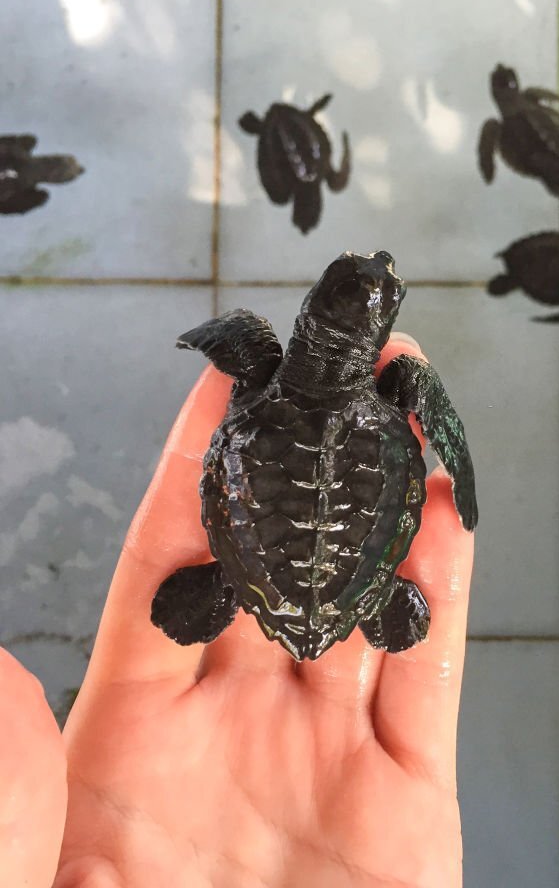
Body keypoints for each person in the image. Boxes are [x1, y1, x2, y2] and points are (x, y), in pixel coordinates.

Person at [0, 335, 475, 888]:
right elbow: (424, 410)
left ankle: (233, 582)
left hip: (253, 566)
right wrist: (459, 471)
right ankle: (369, 598)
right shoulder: (395, 388)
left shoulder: (261, 367)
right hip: (359, 581)